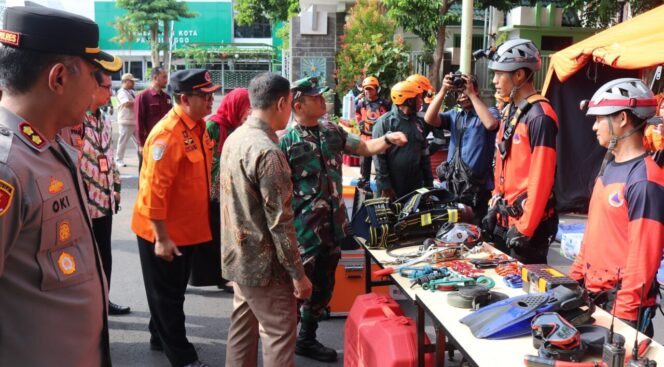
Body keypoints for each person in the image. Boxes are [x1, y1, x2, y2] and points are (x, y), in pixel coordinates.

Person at [0, 5, 122, 366]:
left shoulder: (48, 146)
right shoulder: (7, 166)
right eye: (92, 74)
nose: (100, 89)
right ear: (58, 78)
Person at [280, 77, 407, 362]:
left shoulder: (331, 131)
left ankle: (307, 340)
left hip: (334, 227)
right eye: (316, 97)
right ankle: (282, 348)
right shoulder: (285, 142)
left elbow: (363, 148)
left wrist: (387, 139)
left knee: (324, 287)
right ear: (298, 105)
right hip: (304, 232)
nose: (323, 99)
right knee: (296, 291)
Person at [220, 73, 313, 367]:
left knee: (242, 332)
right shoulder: (269, 153)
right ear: (283, 102)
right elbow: (281, 223)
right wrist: (298, 273)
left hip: (238, 256)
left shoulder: (236, 138)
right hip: (265, 266)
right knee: (278, 333)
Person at [131, 69, 220, 367]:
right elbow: (153, 191)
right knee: (169, 297)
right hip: (163, 232)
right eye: (204, 96)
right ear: (184, 99)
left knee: (172, 292)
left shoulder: (197, 127)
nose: (211, 101)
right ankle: (183, 358)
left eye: (211, 94)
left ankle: (159, 335)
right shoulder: (167, 134)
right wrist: (162, 238)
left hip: (187, 229)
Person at [569, 78, 664, 337]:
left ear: (622, 118)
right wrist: (573, 280)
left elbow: (643, 258)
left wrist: (624, 317)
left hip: (621, 309)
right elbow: (594, 233)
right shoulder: (608, 168)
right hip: (594, 298)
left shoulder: (644, 180)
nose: (594, 127)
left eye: (599, 119)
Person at [479, 39, 559, 264]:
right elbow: (503, 163)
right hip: (506, 218)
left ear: (520, 75)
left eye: (499, 74)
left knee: (526, 293)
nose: (494, 81)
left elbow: (541, 179)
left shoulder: (539, 117)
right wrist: (494, 203)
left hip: (527, 226)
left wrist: (525, 229)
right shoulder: (512, 111)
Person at [188, 87, 250, 290]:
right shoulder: (214, 125)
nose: (248, 111)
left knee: (225, 234)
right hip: (212, 190)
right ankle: (215, 277)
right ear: (235, 106)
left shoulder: (240, 128)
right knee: (213, 235)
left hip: (231, 189)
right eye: (245, 106)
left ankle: (223, 275)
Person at [81, 70, 130, 315]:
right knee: (85, 259)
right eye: (106, 87)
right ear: (91, 87)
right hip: (83, 204)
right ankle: (90, 307)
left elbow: (109, 157)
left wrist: (116, 188)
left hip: (105, 201)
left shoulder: (104, 119)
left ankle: (104, 300)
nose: (111, 93)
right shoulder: (75, 121)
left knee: (104, 256)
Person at [424, 73, 499, 224]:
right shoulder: (454, 115)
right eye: (458, 92)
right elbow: (429, 118)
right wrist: (444, 90)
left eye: (465, 90)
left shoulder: (489, 112)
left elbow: (491, 124)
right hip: (453, 187)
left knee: (476, 234)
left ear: (475, 89)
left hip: (477, 190)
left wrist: (472, 95)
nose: (462, 95)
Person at [372, 80, 428, 199]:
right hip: (391, 188)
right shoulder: (384, 123)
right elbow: (378, 158)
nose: (421, 101)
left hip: (415, 188)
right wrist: (386, 187)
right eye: (418, 98)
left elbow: (424, 154)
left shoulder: (418, 123)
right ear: (409, 100)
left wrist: (429, 183)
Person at [134, 66, 171, 171]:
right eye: (164, 77)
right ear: (155, 78)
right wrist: (141, 145)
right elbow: (138, 121)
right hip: (148, 143)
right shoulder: (142, 97)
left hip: (164, 143)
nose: (166, 80)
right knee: (145, 174)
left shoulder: (167, 98)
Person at [355, 76, 390, 181]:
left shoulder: (384, 103)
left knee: (380, 165)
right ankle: (365, 185)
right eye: (366, 89)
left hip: (379, 139)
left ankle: (380, 185)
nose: (368, 91)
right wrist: (359, 122)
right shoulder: (361, 103)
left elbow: (389, 117)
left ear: (376, 89)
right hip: (365, 139)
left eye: (371, 89)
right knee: (364, 165)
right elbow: (357, 114)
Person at [115, 72, 139, 167]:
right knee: (123, 141)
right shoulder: (121, 92)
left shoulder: (131, 92)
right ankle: (118, 159)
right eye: (132, 81)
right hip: (125, 121)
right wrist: (137, 102)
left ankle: (142, 158)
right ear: (125, 81)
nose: (134, 83)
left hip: (134, 121)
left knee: (139, 142)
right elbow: (127, 104)